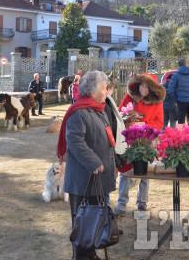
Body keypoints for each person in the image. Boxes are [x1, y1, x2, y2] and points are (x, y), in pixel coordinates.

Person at [56, 70, 116, 260]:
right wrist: (94, 162)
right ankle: (82, 256)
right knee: (83, 223)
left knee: (94, 221)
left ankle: (90, 254)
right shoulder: (79, 111)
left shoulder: (98, 109)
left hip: (97, 178)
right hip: (83, 179)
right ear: (92, 90)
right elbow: (74, 141)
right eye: (104, 88)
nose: (107, 92)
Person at [113, 73, 165, 218]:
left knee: (144, 172)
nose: (143, 89)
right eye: (141, 85)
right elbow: (120, 115)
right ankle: (121, 204)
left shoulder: (157, 103)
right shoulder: (130, 97)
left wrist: (141, 125)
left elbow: (159, 123)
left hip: (146, 140)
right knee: (125, 171)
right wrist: (129, 121)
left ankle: (142, 202)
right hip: (129, 139)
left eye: (146, 86)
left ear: (152, 88)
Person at [103, 77, 126, 208]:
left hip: (108, 150)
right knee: (104, 189)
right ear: (109, 90)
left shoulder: (107, 103)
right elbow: (111, 127)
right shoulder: (106, 104)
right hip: (107, 151)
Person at [167, 58, 189, 126]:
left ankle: (182, 136)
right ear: (186, 64)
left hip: (181, 101)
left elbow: (170, 89)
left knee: (181, 122)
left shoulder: (176, 75)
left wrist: (175, 99)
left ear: (178, 66)